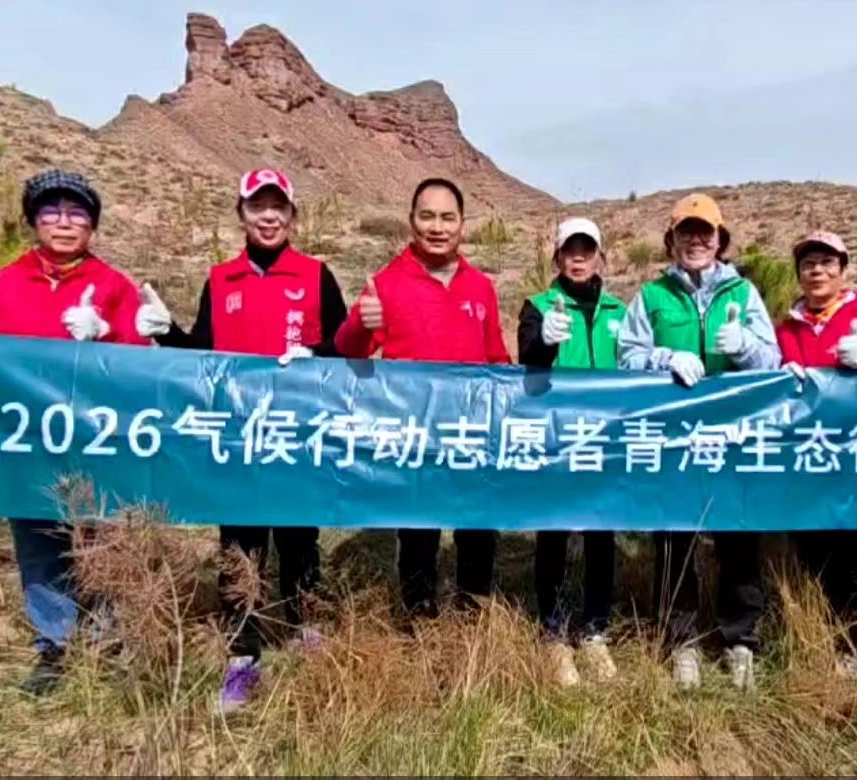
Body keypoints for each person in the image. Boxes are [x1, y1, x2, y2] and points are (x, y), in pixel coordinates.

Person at [0, 169, 146, 695]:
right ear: (33, 221)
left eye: (78, 214)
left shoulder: (111, 285)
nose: (65, 224)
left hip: (94, 437)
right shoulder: (0, 287)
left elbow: (142, 363)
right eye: (52, 212)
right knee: (38, 542)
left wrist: (107, 335)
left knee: (99, 537)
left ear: (92, 226)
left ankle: (108, 638)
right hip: (27, 443)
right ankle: (54, 644)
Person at [133, 167, 348, 713]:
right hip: (237, 442)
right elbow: (202, 356)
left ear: (293, 215)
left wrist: (317, 356)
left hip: (297, 438)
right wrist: (168, 335)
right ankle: (243, 656)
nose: (269, 216)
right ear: (242, 215)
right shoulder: (221, 280)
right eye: (258, 207)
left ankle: (305, 634)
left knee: (299, 542)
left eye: (279, 207)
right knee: (240, 550)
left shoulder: (316, 276)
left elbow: (347, 352)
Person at [617, 193, 780, 692]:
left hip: (733, 438)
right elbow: (626, 354)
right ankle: (682, 640)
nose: (696, 240)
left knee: (738, 536)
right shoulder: (652, 296)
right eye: (686, 232)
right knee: (675, 538)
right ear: (671, 241)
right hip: (674, 440)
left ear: (720, 240)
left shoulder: (744, 295)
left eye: (705, 232)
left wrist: (746, 347)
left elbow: (772, 359)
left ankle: (740, 641)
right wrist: (663, 357)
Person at [334, 177, 510, 621]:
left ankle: (474, 618)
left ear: (462, 224)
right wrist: (361, 324)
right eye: (427, 216)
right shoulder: (387, 284)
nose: (437, 226)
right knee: (418, 533)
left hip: (471, 436)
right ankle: (420, 622)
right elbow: (346, 353)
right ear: (411, 222)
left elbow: (496, 357)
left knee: (477, 531)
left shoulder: (480, 287)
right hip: (414, 435)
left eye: (447, 217)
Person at [773, 231, 857, 679]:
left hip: (852, 459)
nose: (817, 271)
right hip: (804, 461)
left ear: (843, 271)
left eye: (827, 263)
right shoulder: (788, 328)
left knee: (852, 550)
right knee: (810, 549)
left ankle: (853, 644)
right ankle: (813, 631)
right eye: (808, 263)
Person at [515, 217, 626, 686]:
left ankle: (595, 629)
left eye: (587, 249)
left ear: (599, 255)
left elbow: (636, 362)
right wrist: (544, 340)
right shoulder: (538, 305)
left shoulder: (621, 309)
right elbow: (526, 357)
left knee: (602, 534)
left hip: (607, 440)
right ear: (557, 257)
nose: (578, 257)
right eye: (569, 250)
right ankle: (555, 632)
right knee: (556, 534)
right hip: (557, 439)